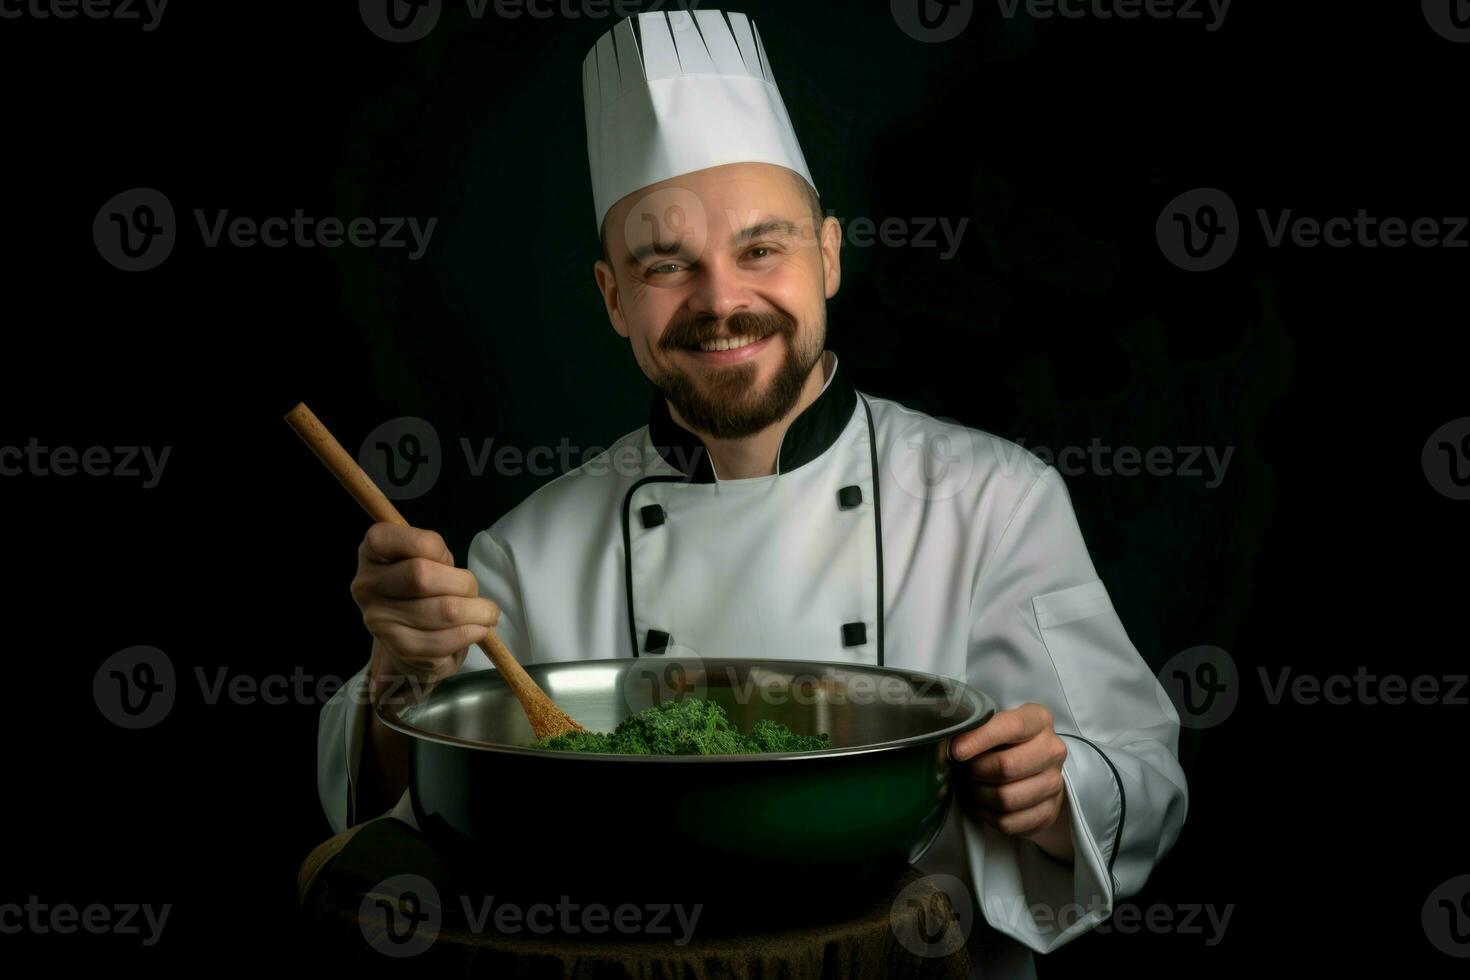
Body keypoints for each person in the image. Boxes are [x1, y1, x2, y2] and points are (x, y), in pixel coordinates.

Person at [318, 10, 1187, 976]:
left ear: (828, 256)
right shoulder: (526, 551)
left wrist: (1053, 792)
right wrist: (402, 669)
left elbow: (1142, 780)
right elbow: (407, 807)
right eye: (665, 264)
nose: (720, 299)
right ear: (614, 299)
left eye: (761, 249)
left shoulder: (992, 500)